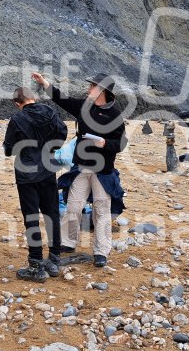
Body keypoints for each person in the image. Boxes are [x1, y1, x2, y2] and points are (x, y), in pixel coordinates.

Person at [31, 72, 126, 267]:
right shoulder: (85, 106)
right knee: (73, 205)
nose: (88, 89)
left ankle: (101, 251)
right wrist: (44, 83)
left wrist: (105, 143)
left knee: (101, 210)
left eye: (92, 86)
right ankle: (67, 242)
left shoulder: (115, 115)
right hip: (81, 168)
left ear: (102, 91)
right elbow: (62, 99)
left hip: (103, 172)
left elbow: (121, 143)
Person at [3, 86, 68, 281]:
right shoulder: (50, 112)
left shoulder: (17, 119)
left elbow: (8, 149)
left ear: (17, 104)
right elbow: (62, 132)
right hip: (48, 170)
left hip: (26, 174)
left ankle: (36, 264)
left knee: (31, 218)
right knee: (52, 214)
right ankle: (55, 260)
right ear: (34, 98)